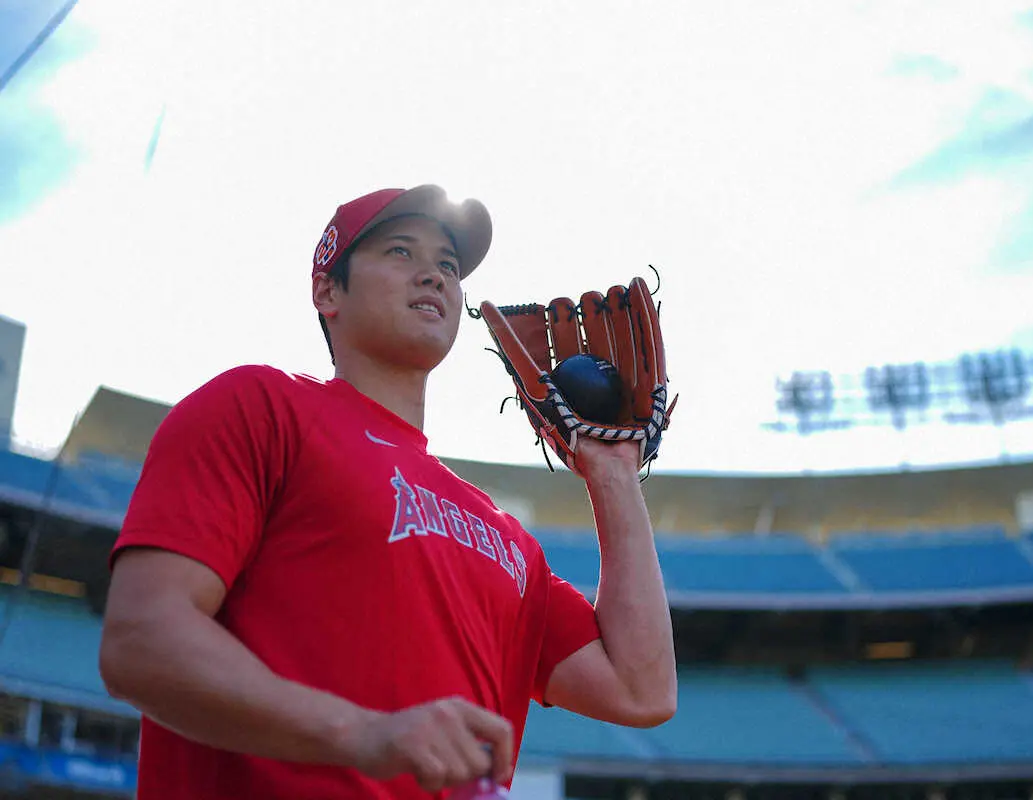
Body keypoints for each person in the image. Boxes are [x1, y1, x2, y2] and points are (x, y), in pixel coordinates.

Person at [99, 185, 677, 798]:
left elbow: (640, 690)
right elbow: (143, 640)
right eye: (400, 251)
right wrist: (362, 735)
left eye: (448, 265)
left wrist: (613, 472)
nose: (433, 274)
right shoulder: (259, 407)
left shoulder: (510, 542)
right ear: (328, 291)